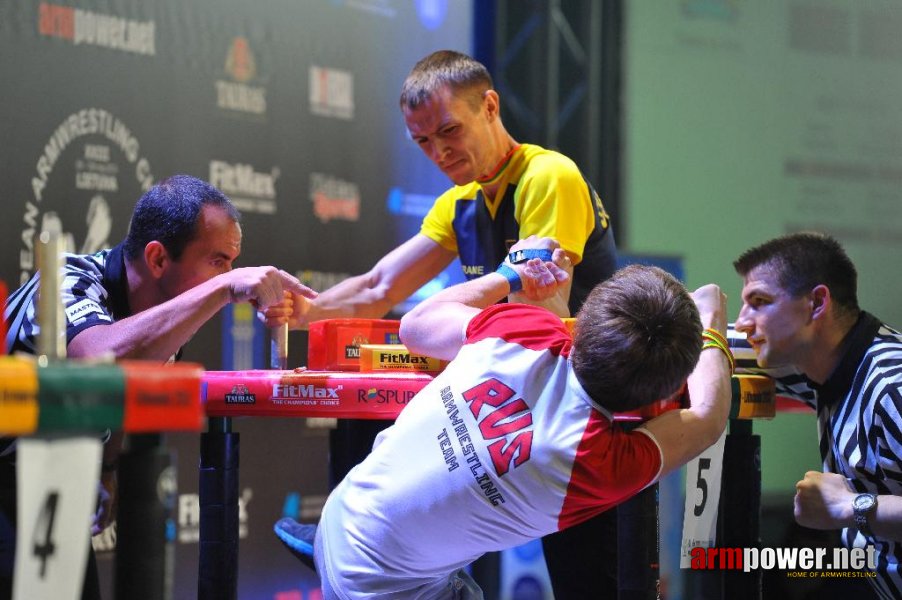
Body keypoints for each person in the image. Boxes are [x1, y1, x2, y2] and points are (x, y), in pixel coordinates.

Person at [269, 49, 618, 597]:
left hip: (584, 411)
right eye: (423, 142)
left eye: (450, 130)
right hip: (518, 406)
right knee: (382, 391)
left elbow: (541, 320)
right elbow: (378, 288)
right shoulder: (460, 203)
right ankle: (356, 534)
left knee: (589, 587)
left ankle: (360, 538)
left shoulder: (548, 175)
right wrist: (303, 310)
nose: (440, 151)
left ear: (490, 106)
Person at [278, 236, 731, 599]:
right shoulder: (600, 462)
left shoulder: (522, 332)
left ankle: (333, 551)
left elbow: (416, 327)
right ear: (671, 387)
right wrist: (710, 324)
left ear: (586, 315)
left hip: (344, 514)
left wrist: (508, 276)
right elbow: (708, 419)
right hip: (387, 589)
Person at [0, 174, 316, 600]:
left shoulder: (165, 316)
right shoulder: (69, 280)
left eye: (232, 263)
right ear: (158, 259)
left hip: (50, 485)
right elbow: (99, 364)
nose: (230, 275)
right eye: (218, 261)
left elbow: (125, 396)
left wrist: (108, 468)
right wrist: (223, 288)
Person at [732, 232, 902, 599]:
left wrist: (851, 507)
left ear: (816, 303)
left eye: (759, 302)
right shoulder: (823, 366)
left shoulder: (892, 384)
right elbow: (711, 346)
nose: (743, 322)